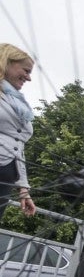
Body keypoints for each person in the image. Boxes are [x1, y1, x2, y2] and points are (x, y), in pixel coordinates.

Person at [0, 43, 36, 220]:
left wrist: (23, 188)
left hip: (5, 178)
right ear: (7, 63)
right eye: (26, 70)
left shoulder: (17, 103)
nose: (28, 78)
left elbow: (18, 146)